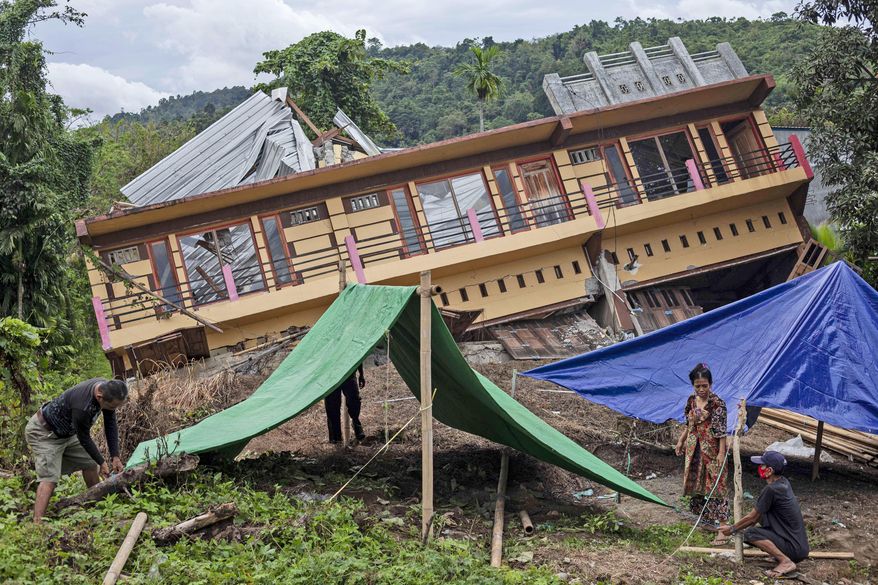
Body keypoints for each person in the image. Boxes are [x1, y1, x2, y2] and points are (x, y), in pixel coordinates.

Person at [25, 378, 128, 523]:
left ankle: (97, 505)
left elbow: (110, 423)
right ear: (100, 396)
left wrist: (115, 456)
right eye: (112, 406)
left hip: (67, 433)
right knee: (50, 478)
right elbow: (84, 438)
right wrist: (102, 461)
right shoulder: (82, 406)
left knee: (90, 463)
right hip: (44, 433)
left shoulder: (109, 389)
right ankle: (37, 524)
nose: (113, 410)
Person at [717, 450, 809, 578]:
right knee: (761, 518)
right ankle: (780, 556)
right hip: (799, 547)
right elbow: (757, 516)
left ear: (769, 470)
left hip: (794, 549)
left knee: (751, 533)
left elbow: (752, 518)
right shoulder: (783, 483)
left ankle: (785, 561)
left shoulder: (771, 489)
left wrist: (732, 529)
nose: (760, 467)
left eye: (763, 465)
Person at [674, 363, 729, 532]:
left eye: (705, 386)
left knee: (716, 482)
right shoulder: (691, 401)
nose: (701, 389)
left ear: (710, 384)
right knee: (698, 480)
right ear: (693, 386)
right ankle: (706, 520)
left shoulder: (717, 404)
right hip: (694, 447)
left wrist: (721, 453)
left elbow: (721, 431)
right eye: (698, 386)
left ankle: (724, 526)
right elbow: (688, 425)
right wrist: (681, 441)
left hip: (711, 448)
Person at [325, 363, 366, 443]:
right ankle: (336, 438)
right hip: (331, 374)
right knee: (332, 406)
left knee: (354, 400)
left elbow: (357, 352)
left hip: (348, 371)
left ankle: (356, 422)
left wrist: (361, 374)